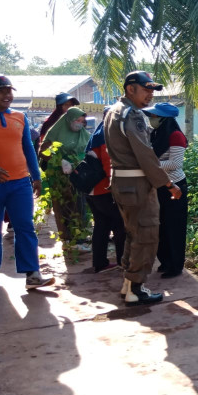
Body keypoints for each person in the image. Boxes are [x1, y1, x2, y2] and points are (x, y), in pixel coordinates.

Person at [105, 71, 182, 305]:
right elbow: (145, 155)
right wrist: (168, 184)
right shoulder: (133, 115)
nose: (150, 94)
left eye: (152, 90)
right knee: (147, 235)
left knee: (134, 234)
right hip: (137, 184)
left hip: (122, 181)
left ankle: (129, 284)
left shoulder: (113, 111)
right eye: (146, 88)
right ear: (130, 89)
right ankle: (136, 289)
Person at [0, 75, 55, 289]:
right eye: (2, 91)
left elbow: (28, 149)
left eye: (9, 91)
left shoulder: (20, 117)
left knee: (25, 228)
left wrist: (37, 176)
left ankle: (32, 274)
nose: (8, 95)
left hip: (20, 183)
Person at [143, 102, 188, 279]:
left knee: (174, 228)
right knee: (161, 226)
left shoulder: (176, 135)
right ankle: (166, 261)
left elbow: (176, 164)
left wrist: (151, 166)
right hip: (160, 186)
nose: (151, 119)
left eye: (154, 116)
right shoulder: (156, 134)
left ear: (164, 119)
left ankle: (175, 265)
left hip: (175, 185)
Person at [39, 106, 90, 243]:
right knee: (63, 206)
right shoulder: (56, 132)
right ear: (68, 119)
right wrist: (60, 161)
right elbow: (42, 152)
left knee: (80, 206)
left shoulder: (84, 134)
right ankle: (67, 237)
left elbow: (89, 150)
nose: (79, 123)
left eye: (81, 120)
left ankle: (80, 238)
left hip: (78, 175)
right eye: (76, 120)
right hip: (58, 176)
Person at [83, 107, 125, 274]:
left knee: (101, 226)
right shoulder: (107, 135)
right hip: (104, 190)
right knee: (120, 225)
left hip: (92, 190)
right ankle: (123, 261)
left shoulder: (96, 134)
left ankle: (100, 263)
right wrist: (115, 187)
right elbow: (109, 165)